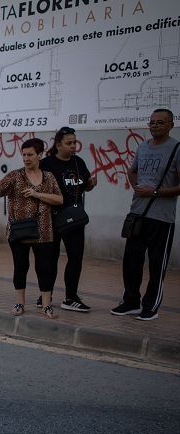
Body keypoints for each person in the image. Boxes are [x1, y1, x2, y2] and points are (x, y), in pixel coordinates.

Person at [0, 139, 63, 317]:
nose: (26, 158)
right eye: (24, 155)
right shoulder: (15, 176)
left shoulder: (49, 177)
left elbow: (59, 199)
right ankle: (20, 304)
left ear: (39, 155)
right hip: (19, 229)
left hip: (44, 230)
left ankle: (46, 305)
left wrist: (37, 194)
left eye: (30, 154)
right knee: (20, 267)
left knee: (45, 268)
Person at [112, 108, 180, 321]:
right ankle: (130, 302)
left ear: (171, 124)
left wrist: (156, 192)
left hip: (162, 217)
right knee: (131, 261)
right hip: (138, 213)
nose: (155, 126)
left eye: (160, 122)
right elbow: (132, 171)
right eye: (152, 122)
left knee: (157, 263)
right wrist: (137, 186)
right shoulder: (143, 147)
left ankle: (151, 306)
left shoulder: (176, 149)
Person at [40, 127, 96, 312]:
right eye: (69, 143)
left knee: (76, 258)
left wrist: (90, 185)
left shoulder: (78, 162)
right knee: (50, 258)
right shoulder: (46, 164)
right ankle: (45, 294)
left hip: (75, 219)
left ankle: (71, 297)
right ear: (58, 145)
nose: (73, 146)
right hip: (52, 218)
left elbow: (84, 188)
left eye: (74, 142)